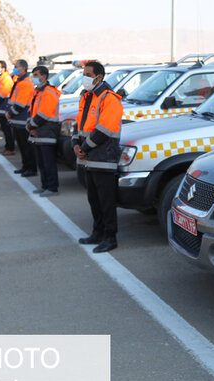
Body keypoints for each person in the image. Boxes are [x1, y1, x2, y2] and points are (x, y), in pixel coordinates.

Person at [73, 61, 123, 253]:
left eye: (87, 74)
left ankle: (110, 237)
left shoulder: (110, 99)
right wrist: (75, 144)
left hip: (104, 158)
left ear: (98, 77)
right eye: (84, 73)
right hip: (88, 158)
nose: (84, 77)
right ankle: (97, 232)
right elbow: (80, 125)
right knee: (93, 199)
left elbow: (104, 130)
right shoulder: (86, 97)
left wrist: (84, 147)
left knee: (106, 201)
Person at [26, 66, 61, 197]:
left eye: (36, 75)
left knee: (48, 162)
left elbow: (43, 114)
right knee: (41, 162)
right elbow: (33, 112)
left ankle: (52, 187)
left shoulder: (48, 92)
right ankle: (45, 185)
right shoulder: (39, 92)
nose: (33, 77)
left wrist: (31, 126)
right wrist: (30, 125)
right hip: (38, 131)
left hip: (46, 131)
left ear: (44, 76)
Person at [6, 59, 37, 177]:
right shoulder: (19, 82)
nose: (14, 68)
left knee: (27, 147)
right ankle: (25, 166)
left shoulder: (25, 83)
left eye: (16, 66)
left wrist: (10, 113)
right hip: (17, 121)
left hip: (22, 120)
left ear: (23, 69)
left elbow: (20, 103)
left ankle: (31, 168)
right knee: (22, 147)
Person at [0, 60, 15, 155]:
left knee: (7, 130)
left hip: (4, 108)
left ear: (3, 69)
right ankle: (7, 147)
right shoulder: (1, 79)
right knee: (4, 130)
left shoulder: (6, 79)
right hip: (1, 108)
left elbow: (3, 94)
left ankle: (10, 148)